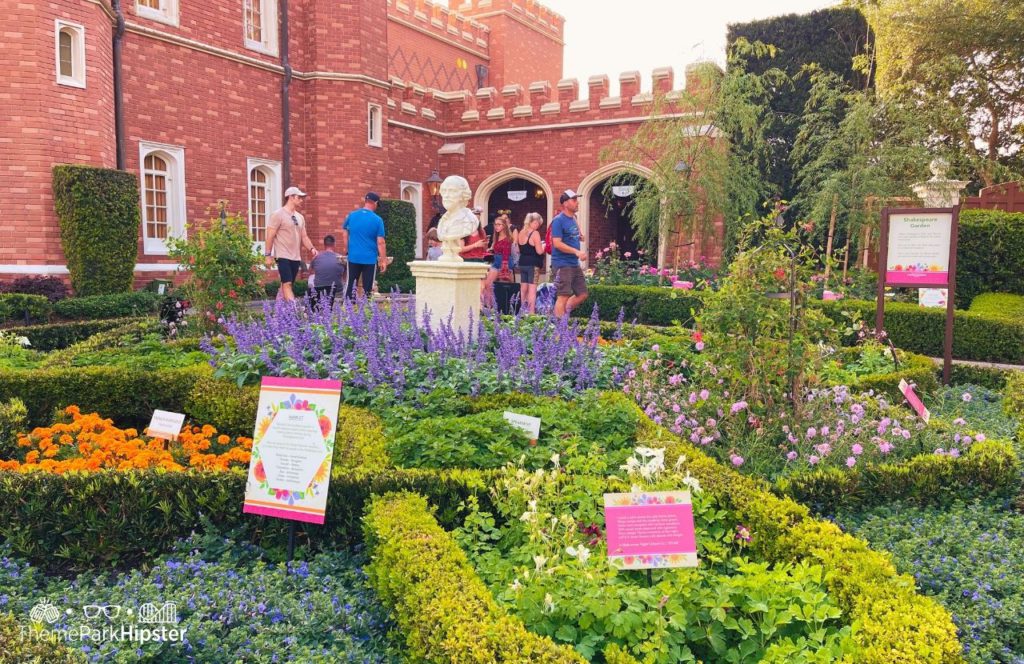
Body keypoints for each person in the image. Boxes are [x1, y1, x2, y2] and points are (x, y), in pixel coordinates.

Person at [265, 186, 318, 302]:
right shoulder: (277, 214)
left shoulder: (300, 217)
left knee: (285, 285)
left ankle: (278, 313)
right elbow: (270, 236)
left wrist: (312, 248)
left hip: (295, 257)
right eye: (299, 197)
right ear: (290, 197)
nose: (301, 200)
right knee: (287, 283)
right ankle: (294, 311)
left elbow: (304, 236)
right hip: (282, 255)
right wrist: (268, 255)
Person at [340, 192, 388, 300]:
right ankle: (367, 313)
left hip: (353, 257)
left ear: (366, 201)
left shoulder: (352, 216)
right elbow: (381, 242)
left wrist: (347, 249)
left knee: (351, 285)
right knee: (368, 288)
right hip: (369, 259)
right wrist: (383, 260)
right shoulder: (378, 220)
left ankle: (347, 313)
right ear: (375, 203)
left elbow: (344, 233)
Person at [550, 189, 588, 317]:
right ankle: (560, 330)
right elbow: (557, 243)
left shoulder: (573, 219)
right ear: (565, 203)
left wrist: (580, 236)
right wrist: (577, 252)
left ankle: (563, 315)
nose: (577, 202)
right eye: (574, 200)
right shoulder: (558, 220)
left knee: (582, 294)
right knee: (563, 296)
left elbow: (575, 233)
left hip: (573, 263)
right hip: (562, 264)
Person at [436, 176, 482, 261]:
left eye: (452, 191)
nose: (446, 195)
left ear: (463, 195)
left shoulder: (470, 220)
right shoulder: (443, 220)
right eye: (444, 191)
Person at [481, 214, 513, 308]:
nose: (496, 226)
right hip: (496, 260)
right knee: (488, 285)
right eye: (495, 224)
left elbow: (506, 254)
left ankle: (503, 308)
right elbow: (495, 249)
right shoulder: (496, 237)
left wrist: (505, 268)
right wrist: (489, 249)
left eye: (499, 224)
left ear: (504, 226)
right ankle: (490, 307)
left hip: (504, 262)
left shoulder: (507, 239)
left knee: (503, 286)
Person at [517, 212, 545, 314]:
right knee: (532, 289)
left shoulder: (521, 232)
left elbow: (519, 249)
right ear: (532, 222)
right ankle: (531, 312)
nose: (538, 226)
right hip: (533, 264)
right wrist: (544, 247)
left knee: (523, 288)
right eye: (537, 223)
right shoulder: (535, 233)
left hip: (522, 262)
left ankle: (522, 311)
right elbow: (539, 251)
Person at [309, 234, 345, 310]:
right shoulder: (341, 259)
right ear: (334, 244)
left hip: (319, 291)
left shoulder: (316, 257)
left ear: (324, 244)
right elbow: (345, 277)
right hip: (337, 292)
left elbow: (310, 273)